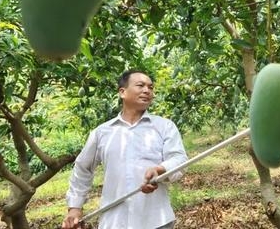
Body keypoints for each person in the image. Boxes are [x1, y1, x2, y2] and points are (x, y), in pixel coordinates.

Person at [61, 69, 188, 229]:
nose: (147, 90)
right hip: (114, 221)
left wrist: (160, 169)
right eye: (140, 85)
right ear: (122, 92)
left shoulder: (164, 126)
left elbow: (179, 160)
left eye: (151, 87)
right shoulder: (102, 132)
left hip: (156, 220)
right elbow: (82, 168)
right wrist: (74, 208)